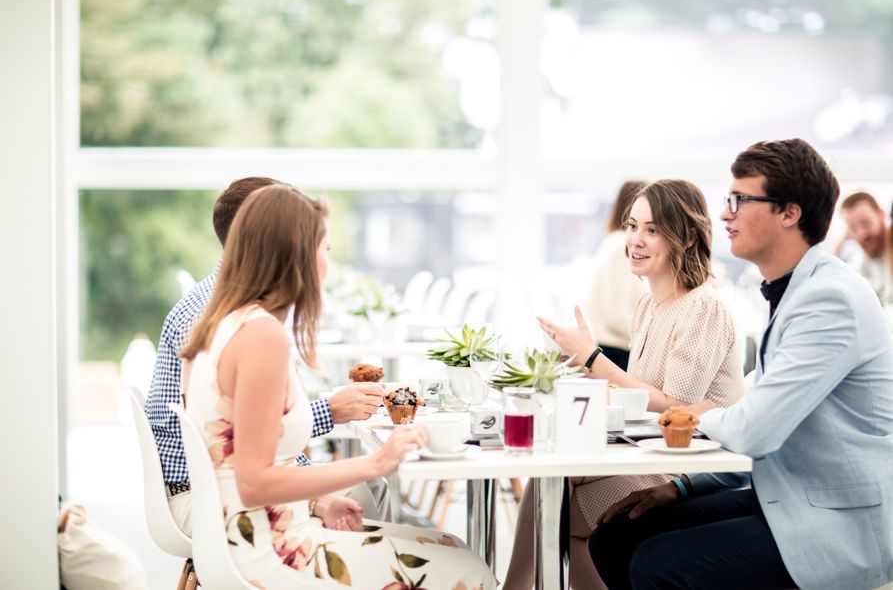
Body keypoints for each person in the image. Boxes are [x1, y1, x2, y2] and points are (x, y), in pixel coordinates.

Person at [591, 139, 893, 590]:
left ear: (789, 212)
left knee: (658, 563)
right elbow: (765, 431)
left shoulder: (830, 300)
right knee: (617, 535)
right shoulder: (796, 292)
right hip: (786, 495)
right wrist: (683, 487)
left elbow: (755, 430)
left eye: (739, 200)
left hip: (838, 523)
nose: (725, 214)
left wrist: (693, 411)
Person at [180, 183, 497, 588]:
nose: (328, 264)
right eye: (325, 249)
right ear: (294, 256)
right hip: (273, 552)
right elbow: (254, 481)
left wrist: (316, 501)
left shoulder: (221, 324)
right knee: (470, 571)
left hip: (246, 540)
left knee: (452, 547)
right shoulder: (262, 336)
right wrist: (376, 463)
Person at [504, 180, 745, 589]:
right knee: (550, 480)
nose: (635, 239)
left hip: (692, 466)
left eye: (652, 230)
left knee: (563, 509)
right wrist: (581, 373)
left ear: (686, 236)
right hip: (650, 451)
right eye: (632, 226)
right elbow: (639, 391)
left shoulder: (704, 307)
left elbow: (676, 407)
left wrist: (593, 358)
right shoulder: (649, 303)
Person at [145, 177, 391, 536]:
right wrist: (333, 422)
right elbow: (233, 458)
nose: (325, 259)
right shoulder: (233, 323)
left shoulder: (236, 312)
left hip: (231, 492)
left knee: (371, 491)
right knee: (367, 495)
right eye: (320, 246)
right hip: (210, 497)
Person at [582, 180, 649, 370]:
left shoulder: (615, 242)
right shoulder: (622, 246)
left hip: (614, 350)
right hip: (616, 354)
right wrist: (652, 342)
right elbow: (616, 315)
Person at [836, 191, 893, 303]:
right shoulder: (860, 261)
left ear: (881, 215)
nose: (861, 235)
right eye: (853, 229)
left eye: (865, 223)